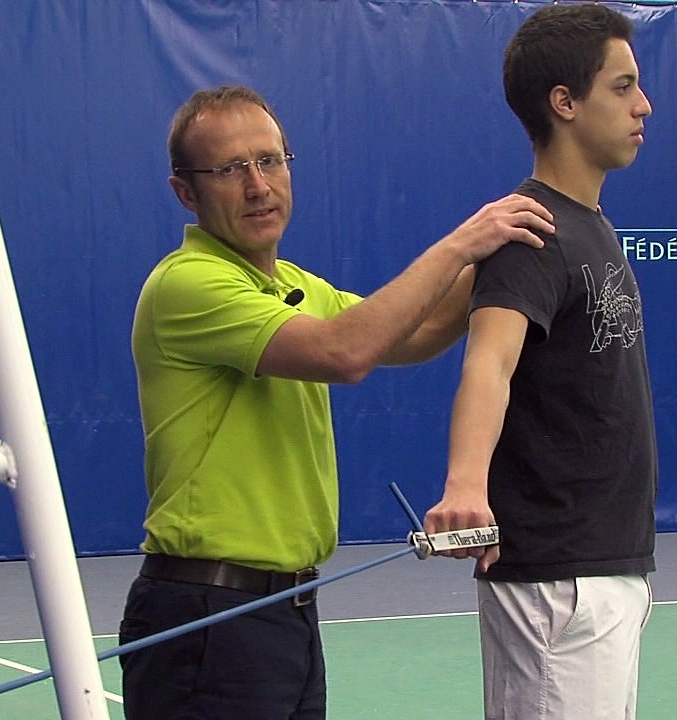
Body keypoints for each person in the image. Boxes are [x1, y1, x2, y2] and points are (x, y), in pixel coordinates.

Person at [118, 84, 554, 720]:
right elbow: (346, 352)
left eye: (270, 160)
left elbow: (421, 331)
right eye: (230, 169)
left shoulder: (296, 286)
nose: (258, 185)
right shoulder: (187, 284)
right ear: (186, 192)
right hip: (209, 618)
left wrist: (512, 255)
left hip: (286, 615)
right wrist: (465, 243)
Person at [422, 5, 657, 719]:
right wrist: (465, 482)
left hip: (602, 575)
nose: (643, 105)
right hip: (560, 590)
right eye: (622, 87)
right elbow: (487, 363)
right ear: (565, 103)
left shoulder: (591, 225)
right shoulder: (532, 230)